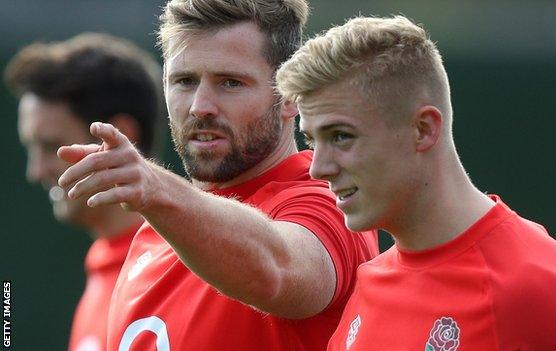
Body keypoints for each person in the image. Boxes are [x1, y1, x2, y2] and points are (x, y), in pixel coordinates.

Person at [276, 15, 556, 350]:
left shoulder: (538, 296)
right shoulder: (371, 282)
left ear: (423, 129)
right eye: (311, 141)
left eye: (340, 136)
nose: (318, 168)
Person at [56, 1, 379, 350]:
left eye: (230, 82)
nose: (200, 106)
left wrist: (157, 190)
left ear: (290, 96)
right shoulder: (157, 231)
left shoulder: (329, 200)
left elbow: (279, 271)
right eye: (184, 81)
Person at [4, 33, 164, 351]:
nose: (35, 172)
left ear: (119, 137)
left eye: (51, 147)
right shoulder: (102, 270)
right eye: (31, 148)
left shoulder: (176, 270)